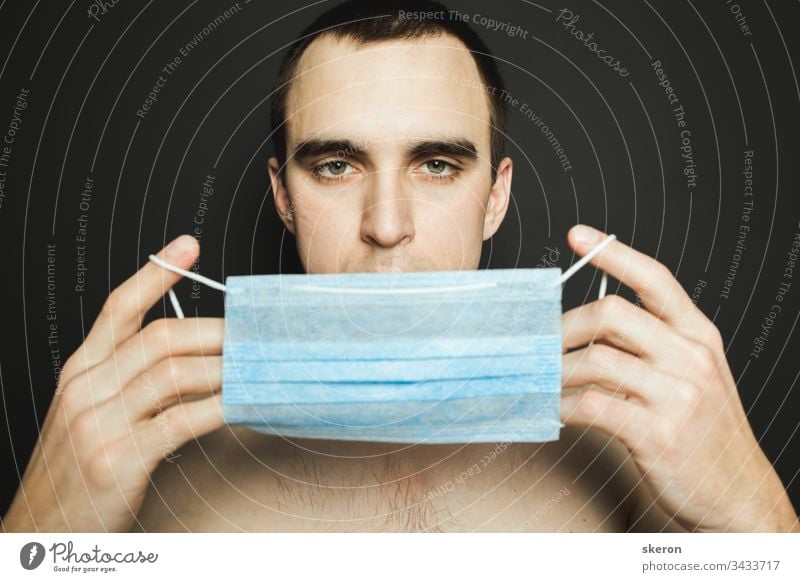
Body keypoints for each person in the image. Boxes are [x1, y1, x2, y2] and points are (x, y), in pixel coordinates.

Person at [3, 0, 798, 533]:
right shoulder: (146, 465)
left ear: (496, 197)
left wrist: (760, 518)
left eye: (440, 166)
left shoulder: (637, 449)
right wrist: (36, 538)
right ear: (282, 196)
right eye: (336, 166)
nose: (387, 227)